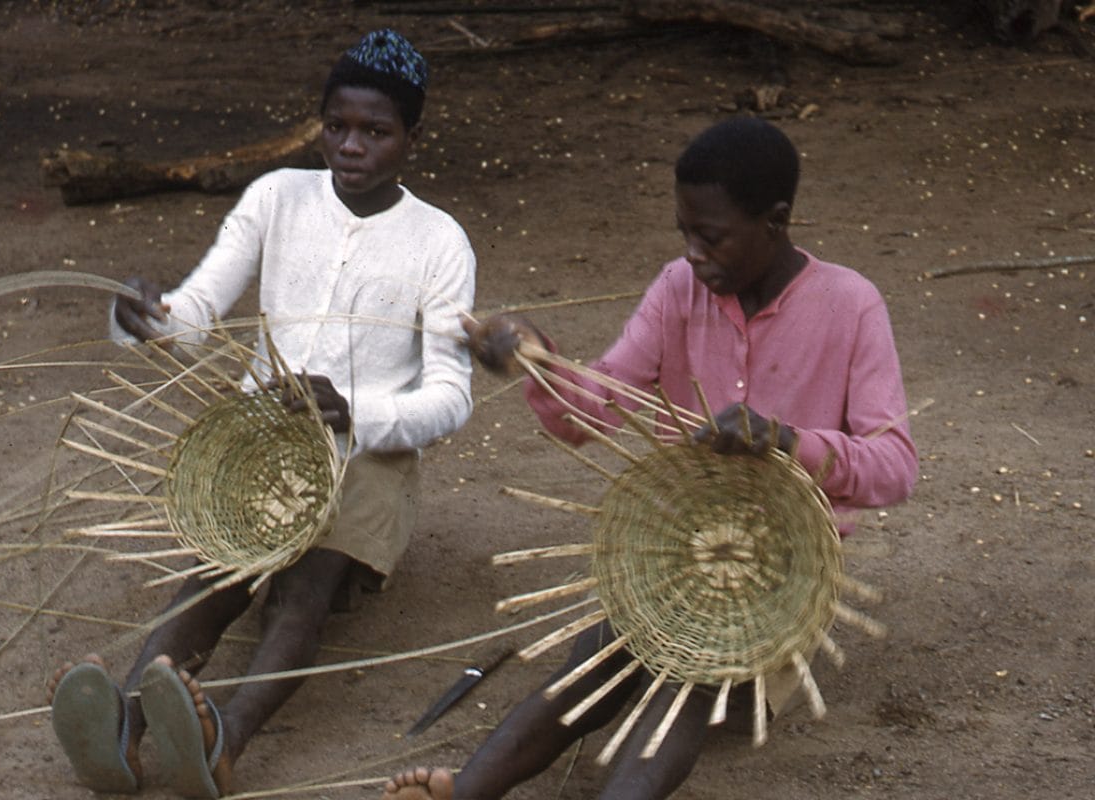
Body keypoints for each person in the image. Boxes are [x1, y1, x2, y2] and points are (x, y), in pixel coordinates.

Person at [382, 116, 918, 800]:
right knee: (594, 665)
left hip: (787, 566)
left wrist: (789, 441)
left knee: (685, 687)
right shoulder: (677, 289)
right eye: (684, 233)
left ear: (776, 221)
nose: (693, 253)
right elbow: (595, 413)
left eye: (712, 235)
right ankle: (466, 791)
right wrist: (535, 361)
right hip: (676, 545)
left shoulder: (851, 305)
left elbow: (896, 465)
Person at [46, 29, 476, 799]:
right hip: (262, 440)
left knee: (305, 585)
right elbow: (198, 309)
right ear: (319, 122)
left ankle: (223, 742)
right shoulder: (277, 196)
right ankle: (128, 732)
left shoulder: (439, 241)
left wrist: (355, 413)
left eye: (375, 132)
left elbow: (451, 397)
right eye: (336, 126)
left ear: (413, 136)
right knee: (215, 573)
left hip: (367, 454)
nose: (350, 147)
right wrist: (146, 317)